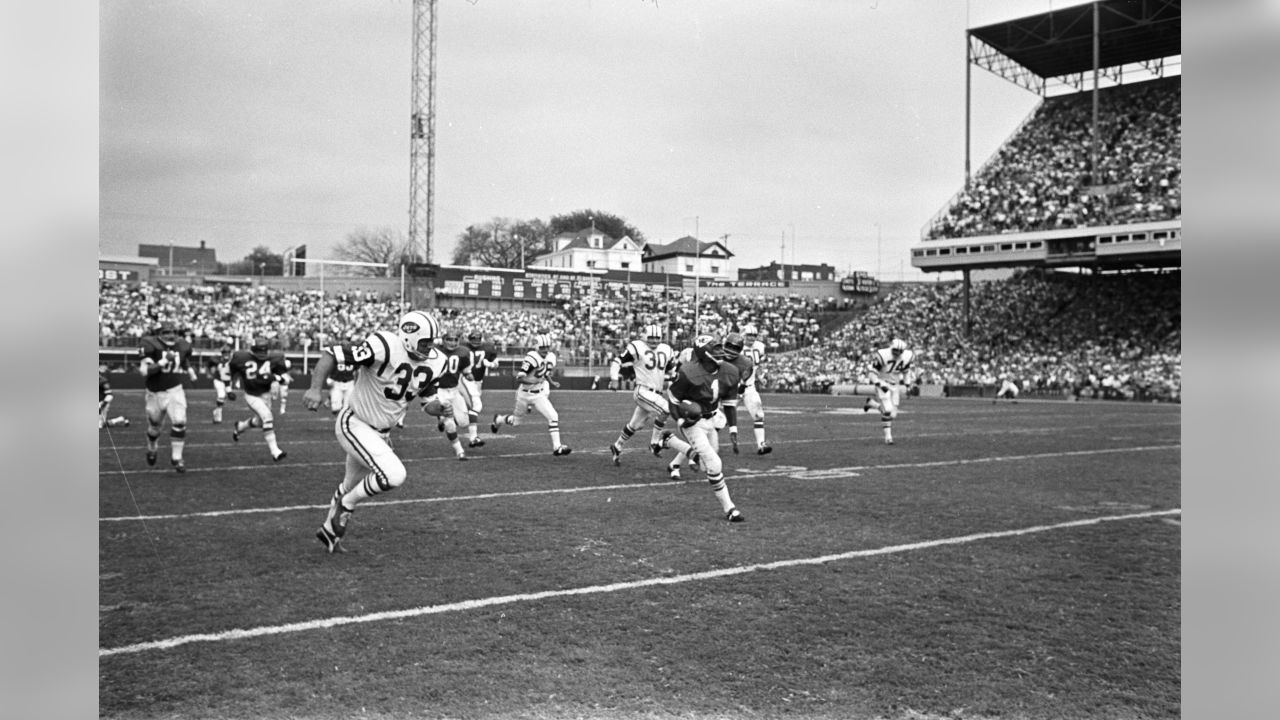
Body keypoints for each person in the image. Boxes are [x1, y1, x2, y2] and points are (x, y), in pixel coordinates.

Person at [304, 310, 446, 554]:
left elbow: (427, 402)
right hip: (355, 423)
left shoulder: (437, 361)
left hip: (381, 432)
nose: (429, 347)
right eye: (425, 341)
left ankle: (329, 533)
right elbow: (332, 353)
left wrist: (440, 408)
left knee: (350, 485)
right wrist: (315, 389)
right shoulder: (384, 346)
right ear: (409, 337)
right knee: (393, 475)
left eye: (432, 341)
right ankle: (346, 507)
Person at [658, 335, 746, 522]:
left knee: (708, 464)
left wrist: (733, 429)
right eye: (715, 348)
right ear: (703, 353)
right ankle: (730, 509)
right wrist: (681, 420)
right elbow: (673, 400)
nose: (720, 351)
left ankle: (669, 440)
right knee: (714, 464)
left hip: (712, 418)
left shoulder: (730, 371)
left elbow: (729, 404)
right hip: (693, 423)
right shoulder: (688, 372)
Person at [491, 333, 572, 456]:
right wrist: (533, 381)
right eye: (542, 347)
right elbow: (519, 378)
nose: (545, 350)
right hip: (524, 394)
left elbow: (544, 372)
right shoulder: (532, 358)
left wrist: (551, 381)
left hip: (538, 395)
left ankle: (557, 447)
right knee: (516, 422)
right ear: (536, 347)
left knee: (553, 416)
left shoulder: (550, 357)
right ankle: (499, 419)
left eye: (547, 347)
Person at [607, 325, 674, 465]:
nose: (654, 341)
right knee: (666, 409)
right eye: (651, 338)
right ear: (645, 337)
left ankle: (617, 446)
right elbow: (617, 361)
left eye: (657, 338)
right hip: (642, 391)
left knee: (635, 425)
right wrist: (614, 378)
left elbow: (671, 372)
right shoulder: (637, 347)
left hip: (655, 393)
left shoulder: (666, 349)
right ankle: (654, 443)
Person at [137, 321, 197, 472]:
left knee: (179, 421)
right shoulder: (149, 344)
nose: (170, 335)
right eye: (165, 332)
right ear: (159, 334)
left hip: (174, 390)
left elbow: (183, 358)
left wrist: (189, 369)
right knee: (154, 428)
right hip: (154, 393)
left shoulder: (182, 345)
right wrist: (164, 361)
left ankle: (177, 458)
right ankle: (152, 448)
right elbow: (145, 371)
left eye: (172, 332)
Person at [228, 336, 290, 462]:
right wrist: (231, 385)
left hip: (266, 394)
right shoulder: (241, 358)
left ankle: (240, 427)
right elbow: (231, 371)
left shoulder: (274, 358)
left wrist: (277, 379)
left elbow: (284, 378)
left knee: (259, 421)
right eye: (259, 351)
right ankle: (275, 452)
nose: (261, 354)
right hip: (252, 394)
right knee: (267, 417)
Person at [428, 328, 473, 460]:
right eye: (449, 339)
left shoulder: (464, 352)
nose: (452, 342)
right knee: (450, 423)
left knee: (464, 423)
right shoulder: (435, 351)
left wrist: (468, 375)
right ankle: (459, 451)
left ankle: (441, 419)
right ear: (443, 340)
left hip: (454, 390)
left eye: (455, 340)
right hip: (439, 390)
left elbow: (465, 370)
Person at [861, 338, 915, 445]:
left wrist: (908, 385)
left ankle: (872, 404)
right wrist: (879, 383)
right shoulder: (883, 355)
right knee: (888, 410)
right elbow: (872, 374)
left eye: (900, 351)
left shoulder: (907, 357)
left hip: (895, 385)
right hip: (883, 382)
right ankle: (888, 437)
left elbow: (906, 372)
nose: (897, 353)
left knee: (893, 414)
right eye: (895, 350)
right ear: (891, 348)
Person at [730, 324, 772, 455]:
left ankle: (761, 445)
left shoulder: (759, 347)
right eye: (749, 335)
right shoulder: (736, 348)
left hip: (750, 388)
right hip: (733, 388)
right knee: (721, 419)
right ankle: (708, 443)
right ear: (743, 335)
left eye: (754, 335)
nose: (752, 338)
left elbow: (755, 366)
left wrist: (760, 377)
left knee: (759, 415)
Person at [459, 330, 498, 448]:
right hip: (465, 378)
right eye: (473, 339)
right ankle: (473, 437)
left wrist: (491, 364)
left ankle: (447, 420)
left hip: (477, 381)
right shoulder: (462, 347)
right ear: (469, 339)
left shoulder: (488, 347)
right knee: (476, 406)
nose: (475, 342)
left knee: (469, 408)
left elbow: (496, 362)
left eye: (477, 339)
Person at [325, 339, 357, 414]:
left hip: (350, 382)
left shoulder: (354, 357)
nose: (346, 348)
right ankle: (330, 400)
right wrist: (330, 378)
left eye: (347, 346)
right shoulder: (335, 356)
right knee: (335, 408)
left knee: (348, 407)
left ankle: (343, 421)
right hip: (337, 382)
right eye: (344, 346)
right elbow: (329, 368)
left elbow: (357, 370)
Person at [205, 346, 234, 424]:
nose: (226, 354)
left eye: (228, 352)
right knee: (221, 395)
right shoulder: (216, 360)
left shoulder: (233, 361)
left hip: (228, 381)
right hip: (219, 381)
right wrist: (209, 373)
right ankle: (218, 416)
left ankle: (217, 410)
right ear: (222, 353)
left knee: (225, 397)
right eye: (225, 352)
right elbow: (208, 365)